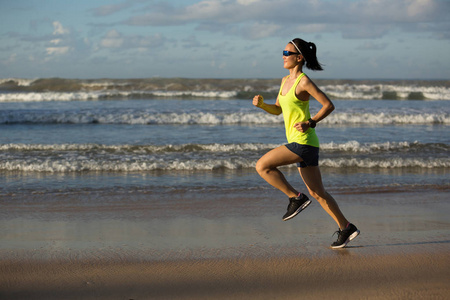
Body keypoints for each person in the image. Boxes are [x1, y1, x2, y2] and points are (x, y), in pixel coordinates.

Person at [252, 38, 359, 249]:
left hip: (304, 142)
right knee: (318, 193)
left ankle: (295, 198)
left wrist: (311, 122)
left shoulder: (303, 81)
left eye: (287, 52)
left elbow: (328, 105)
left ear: (298, 58)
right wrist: (263, 105)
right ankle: (346, 227)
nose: (283, 55)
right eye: (283, 51)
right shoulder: (284, 81)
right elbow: (279, 109)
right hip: (304, 144)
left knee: (262, 166)